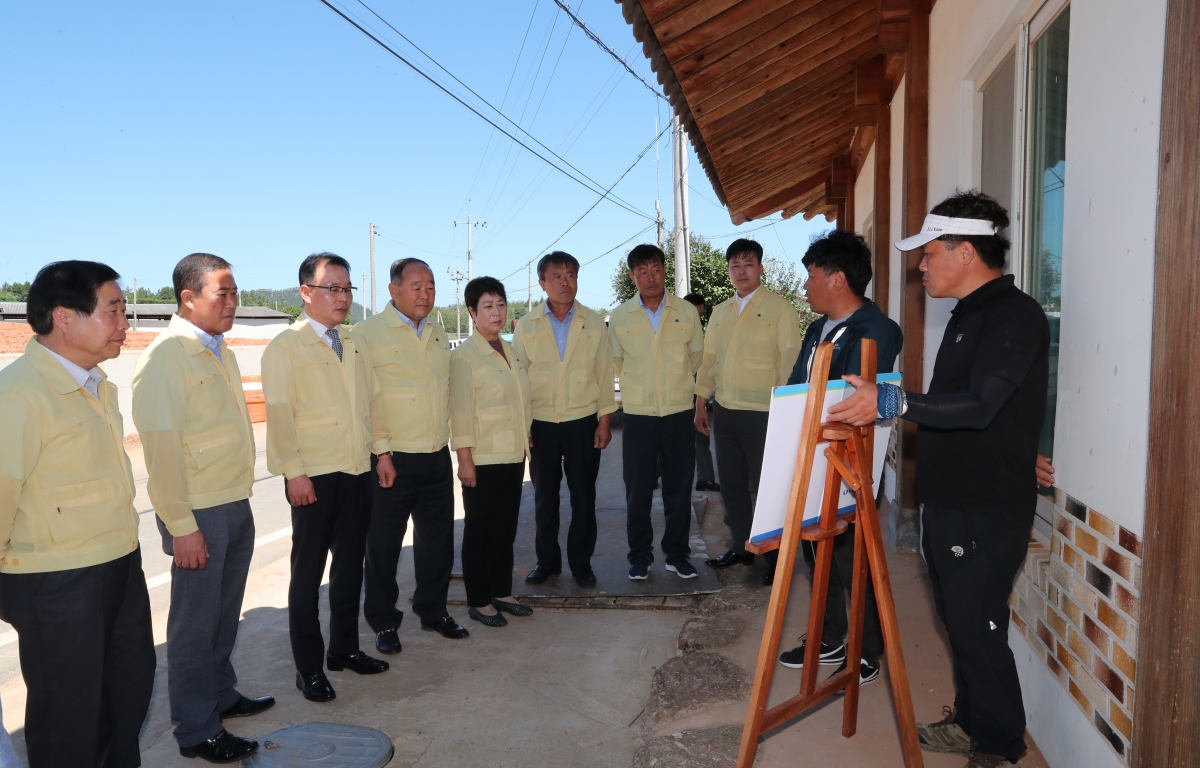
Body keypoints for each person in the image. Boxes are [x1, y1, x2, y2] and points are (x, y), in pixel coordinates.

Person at [828, 191, 1052, 768]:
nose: (921, 266)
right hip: (954, 497)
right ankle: (973, 723)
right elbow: (995, 406)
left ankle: (999, 745)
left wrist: (892, 400)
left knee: (977, 628)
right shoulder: (969, 314)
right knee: (960, 621)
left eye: (929, 254)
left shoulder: (1013, 314)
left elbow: (980, 405)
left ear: (966, 252)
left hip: (985, 505)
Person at [0, 261, 155, 767]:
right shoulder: (19, 395)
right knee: (69, 719)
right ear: (64, 318)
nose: (125, 325)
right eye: (113, 311)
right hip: (56, 582)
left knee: (127, 697)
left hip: (118, 563)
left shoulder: (96, 383)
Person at [132, 254, 273, 763]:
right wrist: (181, 526)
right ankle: (196, 729)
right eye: (223, 293)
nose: (233, 303)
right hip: (198, 513)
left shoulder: (218, 351)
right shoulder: (166, 358)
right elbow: (161, 453)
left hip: (233, 499)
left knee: (223, 615)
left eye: (236, 293)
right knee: (193, 627)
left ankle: (221, 693)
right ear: (188, 298)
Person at [262, 252, 396, 703]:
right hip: (313, 478)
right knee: (307, 576)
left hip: (357, 470)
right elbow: (280, 416)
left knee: (350, 568)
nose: (343, 297)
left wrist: (382, 451)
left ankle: (344, 649)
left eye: (347, 289)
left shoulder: (354, 342)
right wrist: (293, 473)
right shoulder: (286, 346)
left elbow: (374, 401)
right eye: (332, 289)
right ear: (305, 292)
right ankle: (309, 668)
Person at [773, 231, 903, 690]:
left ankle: (866, 650)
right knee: (815, 550)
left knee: (852, 559)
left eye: (811, 276)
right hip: (811, 457)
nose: (805, 285)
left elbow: (850, 397)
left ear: (838, 279)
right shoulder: (817, 329)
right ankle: (829, 636)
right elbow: (798, 386)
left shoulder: (877, 331)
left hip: (848, 463)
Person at [356, 258, 468, 648]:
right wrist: (382, 452)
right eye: (416, 285)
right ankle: (384, 623)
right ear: (394, 289)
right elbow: (366, 400)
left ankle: (433, 611)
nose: (425, 293)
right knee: (383, 546)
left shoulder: (437, 333)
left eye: (431, 286)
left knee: (437, 542)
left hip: (435, 455)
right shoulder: (367, 334)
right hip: (391, 459)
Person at [695, 239, 802, 584]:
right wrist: (701, 402)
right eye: (735, 266)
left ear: (760, 268)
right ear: (729, 270)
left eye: (748, 264)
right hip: (725, 411)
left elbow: (790, 362)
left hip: (764, 413)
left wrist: (786, 411)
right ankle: (742, 545)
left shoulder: (780, 309)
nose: (741, 272)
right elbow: (709, 359)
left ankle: (775, 555)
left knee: (768, 488)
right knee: (731, 485)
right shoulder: (720, 311)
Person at [512, 251, 616, 588]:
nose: (564, 282)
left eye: (570, 275)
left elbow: (604, 374)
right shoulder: (527, 325)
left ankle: (581, 564)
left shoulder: (594, 323)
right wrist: (524, 424)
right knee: (545, 499)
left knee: (584, 497)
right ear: (542, 283)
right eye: (556, 276)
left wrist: (604, 421)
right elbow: (518, 379)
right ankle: (547, 563)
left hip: (582, 421)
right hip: (541, 424)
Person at [611, 245, 705, 581]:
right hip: (638, 416)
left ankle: (677, 555)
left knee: (678, 488)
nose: (650, 277)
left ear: (665, 271)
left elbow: (696, 357)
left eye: (655, 269)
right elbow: (616, 361)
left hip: (678, 412)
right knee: (637, 490)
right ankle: (640, 556)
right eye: (642, 272)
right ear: (632, 276)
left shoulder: (686, 312)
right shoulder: (621, 316)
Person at [450, 277, 534, 626]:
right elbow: (460, 411)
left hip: (513, 455)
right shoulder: (465, 357)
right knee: (480, 531)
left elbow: (519, 398)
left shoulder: (510, 350)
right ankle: (479, 600)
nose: (496, 312)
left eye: (500, 304)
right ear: (472, 312)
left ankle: (501, 591)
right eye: (487, 306)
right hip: (483, 458)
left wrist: (527, 434)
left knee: (505, 530)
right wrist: (465, 459)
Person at [684, 292, 719, 493]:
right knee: (672, 437)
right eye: (695, 315)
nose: (698, 319)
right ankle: (653, 474)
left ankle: (705, 478)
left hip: (697, 392)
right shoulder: (674, 330)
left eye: (700, 315)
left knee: (700, 434)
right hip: (678, 393)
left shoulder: (702, 333)